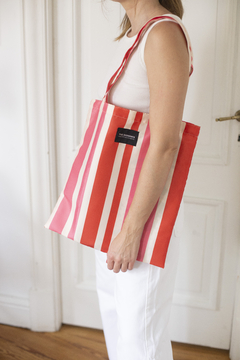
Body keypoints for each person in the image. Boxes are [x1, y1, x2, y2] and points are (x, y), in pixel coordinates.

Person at [95, 0, 193, 359]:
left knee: (141, 337)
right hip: (115, 206)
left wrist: (132, 230)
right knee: (119, 321)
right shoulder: (135, 35)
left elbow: (167, 144)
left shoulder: (163, 34)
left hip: (141, 214)